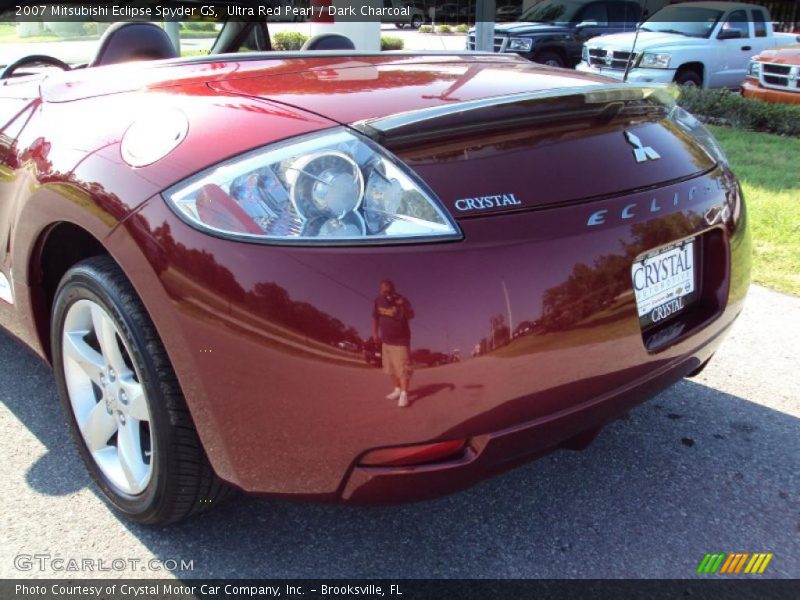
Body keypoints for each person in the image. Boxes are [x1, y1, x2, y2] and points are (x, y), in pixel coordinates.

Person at [372, 279, 414, 407]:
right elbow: (375, 317)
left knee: (403, 368)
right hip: (386, 340)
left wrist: (401, 305)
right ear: (380, 290)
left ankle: (404, 394)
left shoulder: (402, 299)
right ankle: (397, 389)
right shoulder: (378, 300)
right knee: (391, 368)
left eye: (388, 289)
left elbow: (411, 315)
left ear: (393, 289)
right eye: (383, 290)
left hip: (401, 340)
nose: (386, 293)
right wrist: (374, 333)